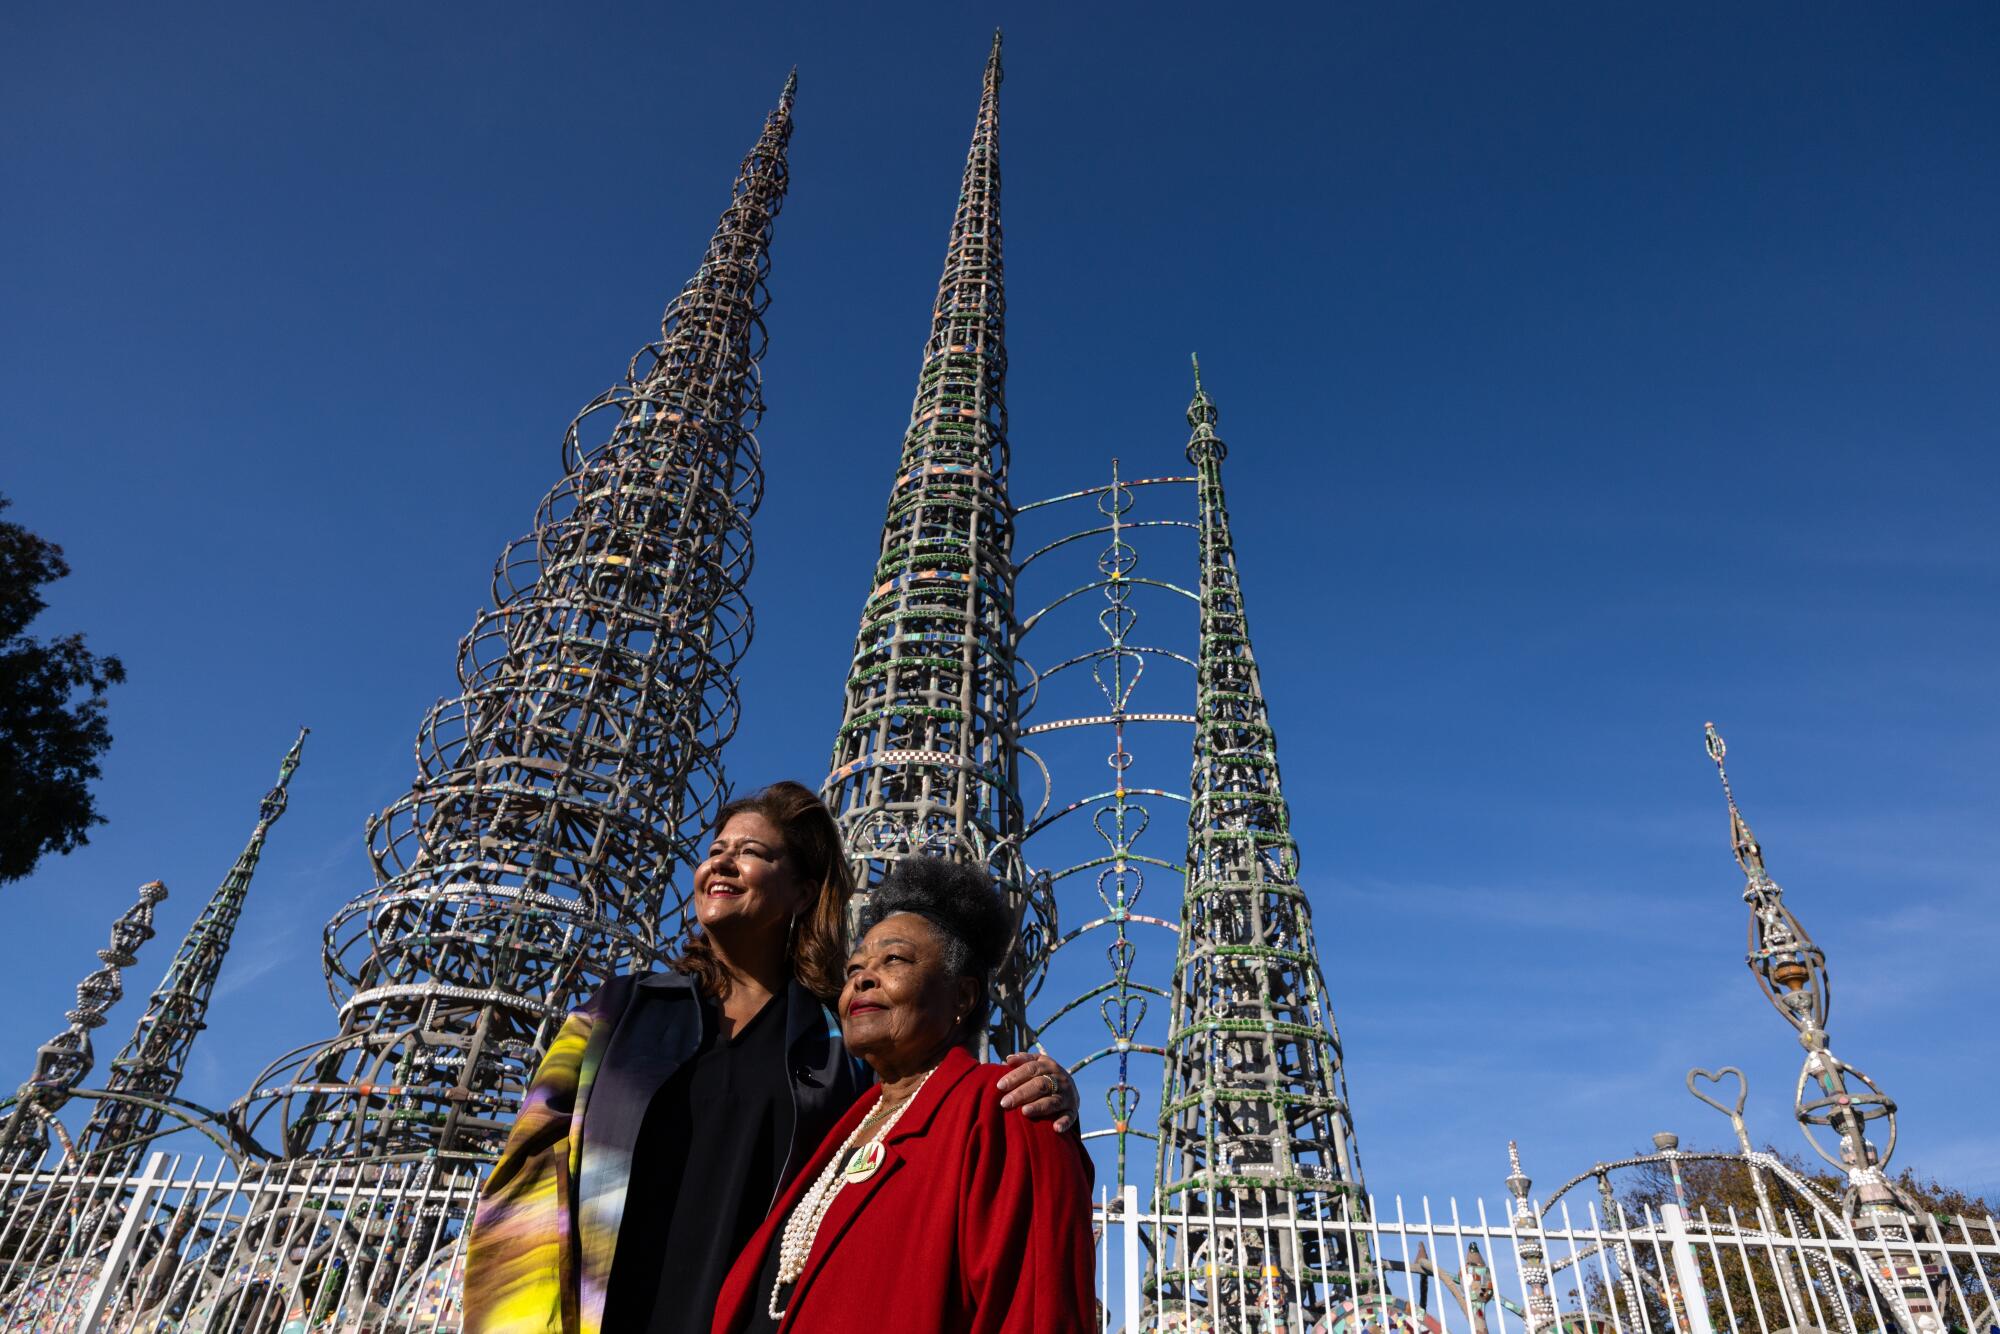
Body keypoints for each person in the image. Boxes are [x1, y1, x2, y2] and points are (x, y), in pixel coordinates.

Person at [461, 783, 1077, 1334]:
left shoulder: (840, 1045)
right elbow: (526, 1172)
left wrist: (1049, 1094)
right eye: (716, 849)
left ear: (803, 892)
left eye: (751, 852)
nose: (722, 862)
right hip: (596, 1313)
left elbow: (915, 1118)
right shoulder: (616, 1013)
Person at [712, 856, 1097, 1334]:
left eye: (894, 960)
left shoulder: (1009, 1110)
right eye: (855, 968)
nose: (862, 978)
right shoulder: (839, 1127)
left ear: (963, 997)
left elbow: (1038, 1313)